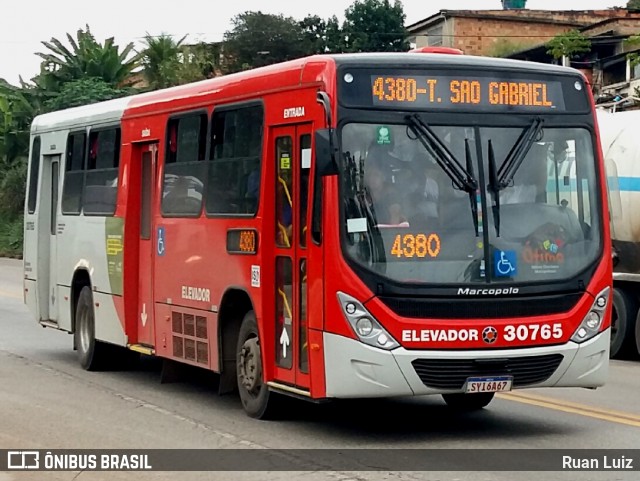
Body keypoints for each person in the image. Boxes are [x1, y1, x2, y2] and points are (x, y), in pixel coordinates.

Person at [363, 149, 408, 226]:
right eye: (369, 175)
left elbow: (395, 218)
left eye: (376, 175)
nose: (372, 178)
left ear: (383, 178)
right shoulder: (363, 197)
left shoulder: (391, 196)